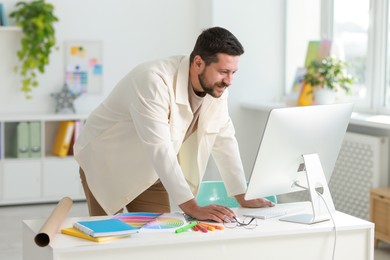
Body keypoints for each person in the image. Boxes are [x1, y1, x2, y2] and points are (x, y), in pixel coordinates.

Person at [74, 26, 273, 223]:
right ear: (198, 63)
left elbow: (224, 138)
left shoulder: (217, 88)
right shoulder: (153, 80)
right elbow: (159, 146)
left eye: (233, 72)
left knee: (158, 238)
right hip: (107, 160)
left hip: (153, 169)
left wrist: (241, 194)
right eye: (223, 72)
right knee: (110, 238)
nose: (229, 81)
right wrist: (192, 207)